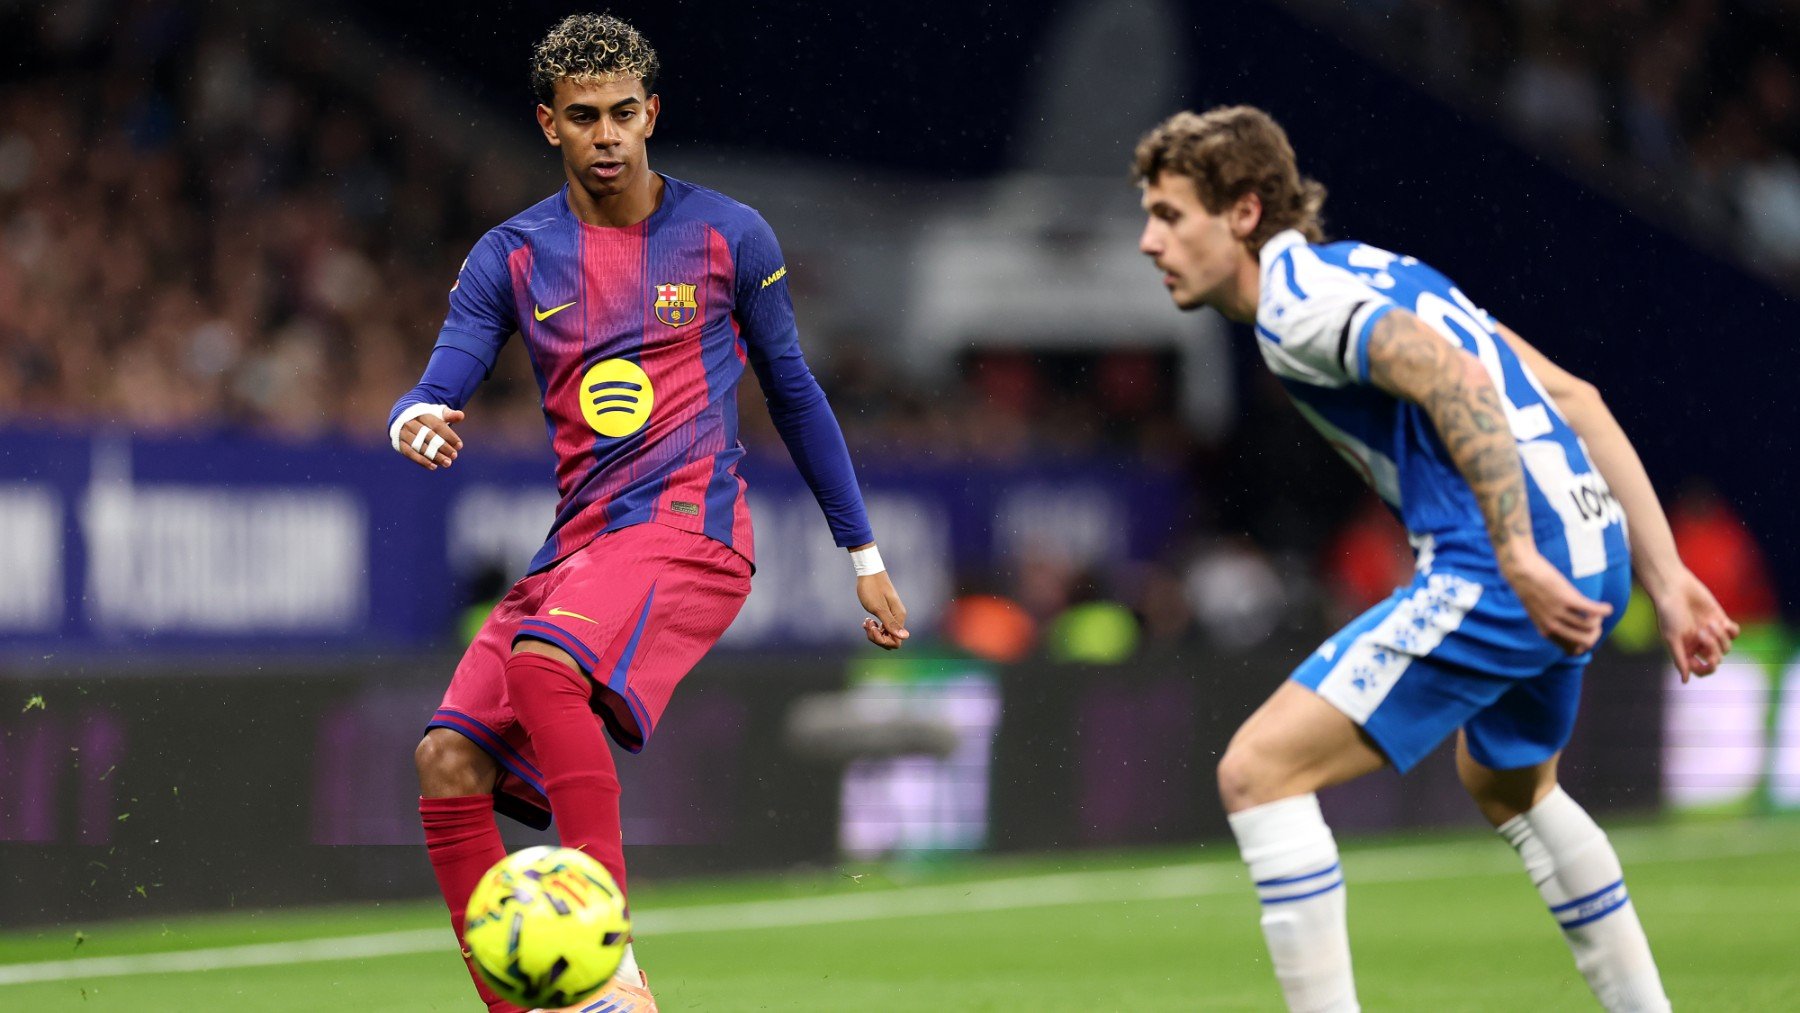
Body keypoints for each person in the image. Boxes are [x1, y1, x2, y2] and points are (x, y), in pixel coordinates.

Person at [1133, 105, 1739, 1012]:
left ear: (1245, 213)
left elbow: (1448, 378)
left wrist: (1514, 553)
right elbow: (1572, 394)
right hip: (1592, 541)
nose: (1149, 241)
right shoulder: (1374, 269)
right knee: (1509, 784)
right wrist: (1663, 574)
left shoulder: (1299, 309)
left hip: (1511, 565)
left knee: (1258, 771)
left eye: (1170, 215)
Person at [388, 15, 909, 1012]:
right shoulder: (512, 254)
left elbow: (795, 393)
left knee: (547, 661)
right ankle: (525, 1006)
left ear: (652, 112)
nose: (609, 135)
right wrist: (416, 415)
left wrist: (862, 551)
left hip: (691, 532)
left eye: (625, 112)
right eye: (584, 117)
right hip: (580, 544)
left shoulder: (728, 234)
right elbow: (440, 376)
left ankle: (609, 965)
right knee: (446, 759)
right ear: (549, 124)